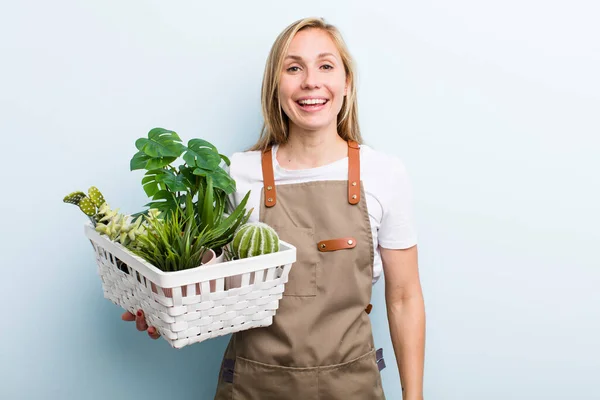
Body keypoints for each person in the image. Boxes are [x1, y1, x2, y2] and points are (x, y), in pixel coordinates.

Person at [123, 17, 425, 400]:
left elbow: (404, 298)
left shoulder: (384, 174)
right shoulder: (236, 173)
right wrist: (159, 306)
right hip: (252, 387)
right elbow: (205, 282)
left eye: (326, 66)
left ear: (347, 84)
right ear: (276, 87)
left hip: (352, 387)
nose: (310, 81)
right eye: (293, 67)